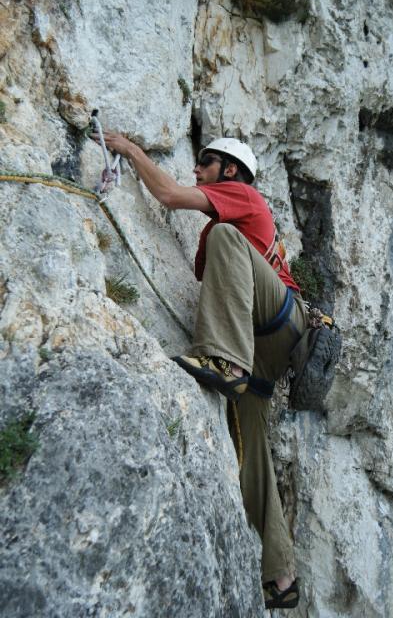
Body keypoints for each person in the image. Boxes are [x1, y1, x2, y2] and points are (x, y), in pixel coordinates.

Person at [91, 131, 306, 610]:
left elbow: (168, 195)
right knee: (251, 446)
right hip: (268, 344)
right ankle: (281, 575)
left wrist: (128, 150)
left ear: (229, 170)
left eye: (205, 162)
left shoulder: (242, 197)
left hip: (278, 319)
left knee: (227, 235)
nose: (196, 169)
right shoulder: (229, 222)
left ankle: (225, 361)